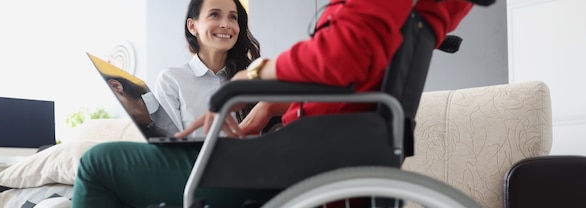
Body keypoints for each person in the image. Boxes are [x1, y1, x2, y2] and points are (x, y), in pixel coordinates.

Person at [71, 0, 276, 207]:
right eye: (215, 15)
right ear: (192, 26)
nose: (226, 23)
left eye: (233, 17)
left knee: (96, 162)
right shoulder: (172, 79)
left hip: (239, 170)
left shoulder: (254, 76)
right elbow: (171, 146)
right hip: (193, 167)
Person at [175, 0, 475, 139]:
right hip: (318, 141)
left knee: (128, 164)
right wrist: (271, 104)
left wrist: (252, 75)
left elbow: (343, 55)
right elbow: (352, 85)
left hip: (313, 152)